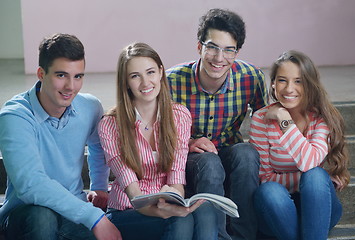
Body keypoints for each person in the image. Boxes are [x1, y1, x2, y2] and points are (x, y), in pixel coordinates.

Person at [0, 33, 121, 240]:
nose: (70, 87)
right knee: (42, 217)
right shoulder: (15, 116)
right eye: (61, 75)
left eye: (78, 76)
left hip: (72, 213)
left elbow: (98, 146)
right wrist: (94, 217)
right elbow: (31, 185)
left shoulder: (90, 106)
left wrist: (99, 186)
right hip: (25, 215)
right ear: (41, 73)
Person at [98, 42, 218, 240]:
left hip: (165, 203)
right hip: (127, 211)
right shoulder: (110, 125)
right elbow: (134, 194)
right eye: (135, 76)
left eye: (150, 72)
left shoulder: (179, 115)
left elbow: (176, 178)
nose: (146, 83)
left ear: (161, 72)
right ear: (125, 82)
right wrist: (162, 211)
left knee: (205, 211)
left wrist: (174, 201)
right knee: (180, 219)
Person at [166, 8, 268, 240]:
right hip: (191, 159)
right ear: (199, 47)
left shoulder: (251, 77)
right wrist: (188, 142)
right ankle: (216, 236)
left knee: (247, 153)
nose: (219, 58)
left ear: (237, 52)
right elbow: (156, 131)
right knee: (209, 163)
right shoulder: (172, 81)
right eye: (212, 47)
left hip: (230, 153)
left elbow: (266, 124)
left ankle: (244, 236)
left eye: (228, 50)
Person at [249, 50, 350, 240]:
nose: (289, 89)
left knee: (315, 176)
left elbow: (308, 163)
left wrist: (284, 120)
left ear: (309, 85)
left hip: (318, 207)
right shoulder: (261, 119)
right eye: (282, 80)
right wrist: (303, 180)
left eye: (298, 81)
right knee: (268, 191)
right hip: (276, 210)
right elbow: (265, 177)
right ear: (273, 84)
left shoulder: (320, 118)